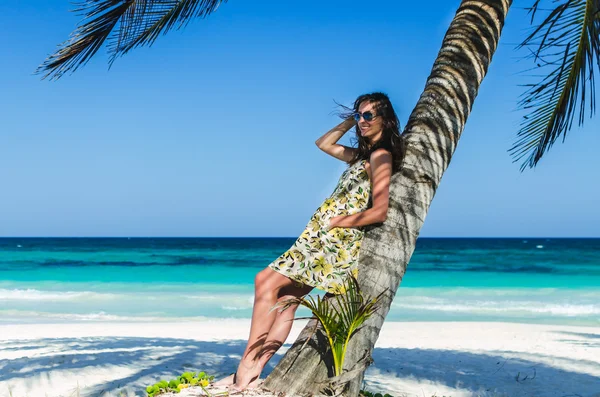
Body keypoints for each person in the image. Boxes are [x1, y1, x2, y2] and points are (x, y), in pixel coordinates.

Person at [214, 92, 404, 391]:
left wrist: (337, 222)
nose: (363, 121)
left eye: (369, 115)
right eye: (359, 115)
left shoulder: (380, 156)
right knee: (286, 303)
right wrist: (349, 120)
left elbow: (379, 211)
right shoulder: (361, 155)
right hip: (319, 237)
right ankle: (251, 375)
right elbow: (323, 144)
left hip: (333, 240)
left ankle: (244, 369)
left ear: (386, 119)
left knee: (264, 281)